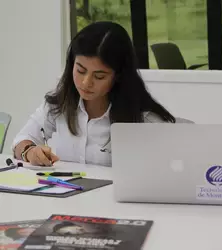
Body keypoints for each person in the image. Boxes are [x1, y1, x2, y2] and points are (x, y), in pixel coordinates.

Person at [12, 21, 179, 167]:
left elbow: (168, 173)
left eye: (99, 76)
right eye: (80, 70)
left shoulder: (145, 119)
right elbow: (23, 138)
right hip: (66, 199)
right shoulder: (60, 103)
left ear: (118, 76)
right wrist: (30, 151)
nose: (86, 83)